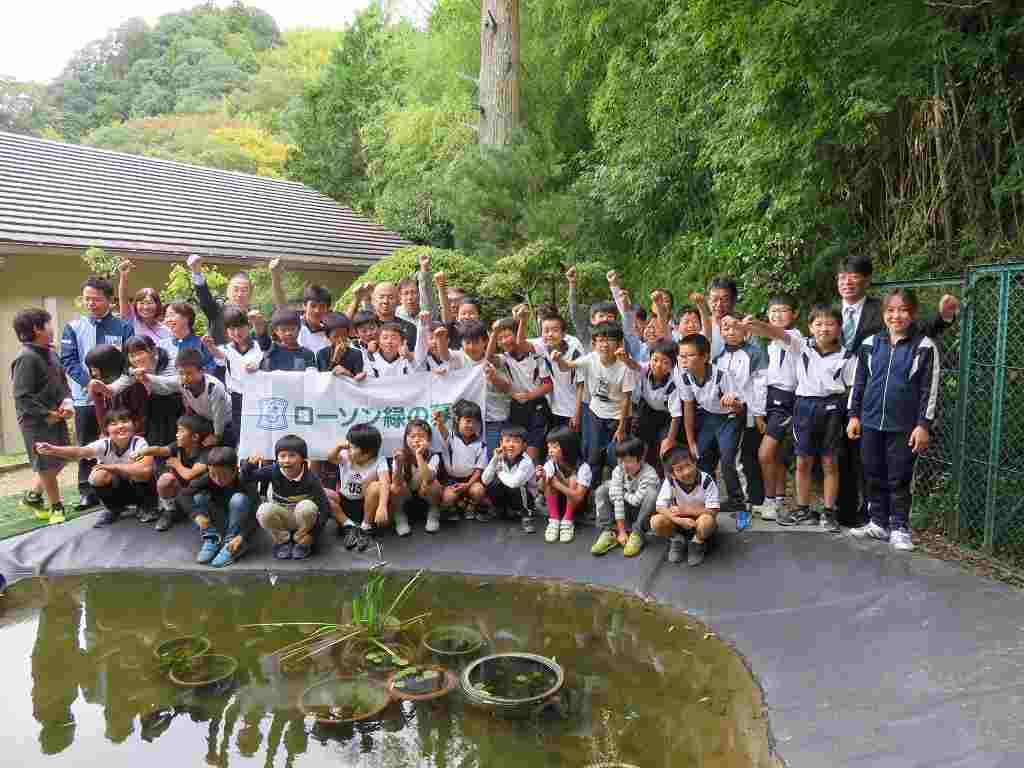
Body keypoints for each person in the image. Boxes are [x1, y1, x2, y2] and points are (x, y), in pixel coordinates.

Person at [835, 255, 959, 526]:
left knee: (881, 465)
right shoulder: (830, 312)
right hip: (838, 397)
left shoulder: (883, 310)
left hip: (878, 397)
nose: (847, 282)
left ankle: (882, 519)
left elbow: (911, 330)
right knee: (845, 458)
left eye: (853, 276)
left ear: (866, 280)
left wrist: (941, 318)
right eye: (842, 277)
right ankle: (845, 514)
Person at [743, 306, 853, 531]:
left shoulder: (848, 355)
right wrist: (756, 324)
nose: (824, 329)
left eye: (830, 324)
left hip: (833, 408)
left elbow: (851, 389)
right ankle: (803, 508)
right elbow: (775, 333)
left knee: (830, 462)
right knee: (803, 461)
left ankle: (829, 512)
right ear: (810, 327)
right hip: (803, 407)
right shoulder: (800, 344)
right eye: (818, 324)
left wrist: (852, 417)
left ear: (839, 328)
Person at [847, 289, 940, 552]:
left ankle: (900, 527)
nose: (895, 315)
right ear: (883, 313)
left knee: (899, 478)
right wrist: (854, 415)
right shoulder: (869, 344)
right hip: (869, 421)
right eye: (890, 310)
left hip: (904, 427)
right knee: (873, 473)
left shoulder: (924, 346)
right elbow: (858, 383)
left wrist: (923, 425)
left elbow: (929, 390)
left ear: (912, 313)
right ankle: (878, 522)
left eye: (902, 310)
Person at [60, 276, 134, 511]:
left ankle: (123, 487)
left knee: (117, 440)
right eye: (87, 299)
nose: (91, 303)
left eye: (96, 299)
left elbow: (127, 361)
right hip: (84, 397)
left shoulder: (123, 327)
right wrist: (88, 383)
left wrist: (112, 387)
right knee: (87, 441)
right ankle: (86, 490)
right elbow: (68, 361)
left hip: (115, 396)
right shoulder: (73, 327)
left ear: (110, 300)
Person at [35, 409, 154, 527]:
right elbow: (79, 452)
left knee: (138, 472)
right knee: (97, 476)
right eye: (114, 424)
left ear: (134, 425)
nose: (120, 426)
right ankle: (113, 509)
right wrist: (53, 450)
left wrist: (112, 467)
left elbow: (145, 471)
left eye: (125, 421)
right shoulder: (104, 444)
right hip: (117, 487)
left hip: (138, 488)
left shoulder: (139, 443)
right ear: (107, 429)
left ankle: (145, 506)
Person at [12, 308, 74, 524]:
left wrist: (67, 401)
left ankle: (33, 496)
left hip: (56, 415)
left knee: (61, 457)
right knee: (47, 463)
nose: (52, 328)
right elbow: (22, 397)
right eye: (48, 323)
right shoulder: (26, 358)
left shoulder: (50, 352)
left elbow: (62, 383)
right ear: (38, 329)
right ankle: (57, 506)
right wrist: (47, 414)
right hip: (35, 422)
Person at [552, 321, 634, 481]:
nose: (604, 344)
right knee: (592, 454)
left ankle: (617, 487)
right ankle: (591, 490)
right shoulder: (591, 358)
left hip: (619, 417)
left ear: (618, 343)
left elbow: (626, 399)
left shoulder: (625, 366)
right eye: (600, 340)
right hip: (596, 413)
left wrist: (622, 427)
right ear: (594, 343)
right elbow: (566, 366)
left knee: (615, 456)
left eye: (609, 339)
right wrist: (558, 359)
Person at [676, 333, 744, 518]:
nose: (684, 360)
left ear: (705, 357)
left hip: (729, 417)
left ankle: (738, 500)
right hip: (709, 417)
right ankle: (710, 497)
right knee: (701, 454)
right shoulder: (685, 378)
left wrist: (733, 402)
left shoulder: (721, 375)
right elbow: (688, 408)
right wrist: (691, 441)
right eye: (681, 356)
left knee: (728, 459)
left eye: (690, 355)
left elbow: (739, 408)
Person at [713, 313, 766, 527]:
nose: (730, 331)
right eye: (725, 327)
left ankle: (745, 504)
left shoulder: (753, 353)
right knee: (728, 460)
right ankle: (737, 499)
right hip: (722, 415)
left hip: (746, 413)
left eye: (735, 327)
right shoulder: (718, 356)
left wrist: (758, 414)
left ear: (745, 330)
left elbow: (760, 386)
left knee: (737, 460)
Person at [431, 319, 514, 455]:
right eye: (467, 342)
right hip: (466, 422)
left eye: (475, 342)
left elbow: (507, 388)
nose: (471, 347)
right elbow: (445, 355)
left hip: (492, 420)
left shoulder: (496, 361)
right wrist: (440, 339)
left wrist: (493, 377)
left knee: (492, 458)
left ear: (485, 342)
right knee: (466, 459)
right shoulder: (458, 357)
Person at [120, 348, 232, 447]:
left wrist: (216, 436)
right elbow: (163, 381)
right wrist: (145, 376)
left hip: (226, 422)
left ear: (202, 371)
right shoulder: (180, 381)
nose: (185, 377)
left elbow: (219, 416)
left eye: (189, 373)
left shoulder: (214, 387)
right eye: (181, 373)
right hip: (206, 420)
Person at [243, 434, 330, 560]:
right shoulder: (273, 470)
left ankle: (302, 541)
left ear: (303, 458)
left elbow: (325, 508)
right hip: (284, 518)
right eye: (282, 456)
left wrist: (312, 535)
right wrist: (249, 464)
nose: (287, 460)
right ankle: (283, 541)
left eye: (292, 455)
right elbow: (247, 478)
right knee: (264, 510)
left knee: (307, 507)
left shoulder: (311, 478)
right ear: (277, 458)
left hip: (304, 522)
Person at [752, 295, 800, 521]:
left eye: (783, 310)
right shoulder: (771, 344)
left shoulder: (794, 337)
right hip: (771, 399)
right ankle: (777, 501)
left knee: (765, 453)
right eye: (773, 311)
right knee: (777, 455)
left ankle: (770, 501)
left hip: (786, 401)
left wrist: (753, 325)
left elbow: (776, 332)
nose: (777, 315)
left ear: (795, 315)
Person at [133, 414, 211, 532]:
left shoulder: (206, 454)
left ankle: (196, 516)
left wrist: (176, 464)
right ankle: (169, 511)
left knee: (196, 497)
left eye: (181, 431)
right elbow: (160, 450)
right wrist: (143, 451)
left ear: (195, 437)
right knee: (165, 479)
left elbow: (190, 474)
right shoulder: (178, 447)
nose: (176, 434)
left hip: (198, 492)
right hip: (181, 492)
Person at [181, 447, 257, 567]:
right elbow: (183, 494)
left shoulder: (245, 482)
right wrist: (197, 515)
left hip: (240, 522)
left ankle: (230, 544)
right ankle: (212, 537)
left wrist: (242, 536)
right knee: (198, 498)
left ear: (235, 471)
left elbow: (256, 515)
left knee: (238, 499)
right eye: (213, 474)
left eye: (223, 475)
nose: (218, 479)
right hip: (219, 519)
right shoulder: (207, 479)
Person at [497, 307, 554, 463]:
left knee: (532, 450)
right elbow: (488, 359)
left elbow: (548, 385)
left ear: (518, 335)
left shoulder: (536, 356)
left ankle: (533, 483)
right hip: (517, 407)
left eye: (507, 336)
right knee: (514, 448)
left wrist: (529, 395)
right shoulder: (505, 358)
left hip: (537, 406)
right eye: (500, 338)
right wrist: (494, 331)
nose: (504, 341)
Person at [591, 437, 661, 557]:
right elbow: (617, 499)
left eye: (628, 461)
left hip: (641, 514)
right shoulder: (619, 470)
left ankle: (637, 534)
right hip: (623, 512)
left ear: (641, 459)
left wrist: (621, 492)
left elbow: (636, 501)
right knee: (602, 490)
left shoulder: (650, 475)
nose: (624, 465)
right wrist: (622, 531)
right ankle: (608, 532)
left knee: (652, 494)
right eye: (621, 461)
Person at [651, 448, 720, 566]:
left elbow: (714, 510)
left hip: (699, 521)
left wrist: (687, 510)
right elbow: (660, 506)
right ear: (672, 474)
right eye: (679, 469)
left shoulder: (706, 480)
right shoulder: (670, 481)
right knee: (656, 521)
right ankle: (677, 540)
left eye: (688, 465)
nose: (687, 472)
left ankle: (697, 542)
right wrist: (678, 520)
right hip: (679, 522)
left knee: (707, 521)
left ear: (694, 463)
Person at [325, 424, 389, 551]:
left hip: (365, 506)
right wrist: (338, 447)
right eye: (348, 445)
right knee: (323, 494)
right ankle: (349, 526)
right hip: (345, 502)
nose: (348, 449)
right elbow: (330, 458)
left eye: (352, 447)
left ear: (368, 452)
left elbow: (385, 482)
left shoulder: (380, 461)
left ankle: (365, 527)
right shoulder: (344, 455)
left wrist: (382, 506)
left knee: (376, 486)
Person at [205, 308, 263, 447]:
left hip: (259, 395)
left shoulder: (259, 346)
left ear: (248, 327)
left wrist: (256, 366)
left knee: (259, 429)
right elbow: (219, 355)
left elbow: (265, 358)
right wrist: (210, 345)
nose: (237, 333)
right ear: (227, 331)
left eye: (240, 327)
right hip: (237, 398)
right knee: (240, 431)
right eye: (232, 329)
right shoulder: (226, 349)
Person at [625, 338, 683, 471]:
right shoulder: (646, 369)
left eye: (665, 362)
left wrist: (669, 439)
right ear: (650, 359)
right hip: (647, 408)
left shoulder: (674, 384)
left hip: (667, 415)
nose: (658, 365)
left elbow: (676, 417)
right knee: (638, 438)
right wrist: (625, 359)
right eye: (655, 360)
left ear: (673, 365)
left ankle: (663, 475)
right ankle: (638, 468)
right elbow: (635, 366)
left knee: (664, 446)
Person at [187, 254, 266, 345]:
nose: (240, 294)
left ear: (250, 293)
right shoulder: (217, 309)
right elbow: (205, 299)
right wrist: (197, 272)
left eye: (244, 290)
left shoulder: (254, 316)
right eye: (236, 290)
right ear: (228, 291)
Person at [529, 310, 585, 431]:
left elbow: (581, 384)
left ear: (563, 333)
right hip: (555, 409)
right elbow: (520, 344)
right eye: (546, 330)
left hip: (575, 410)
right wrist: (522, 320)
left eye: (555, 330)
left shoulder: (574, 348)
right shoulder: (542, 347)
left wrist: (577, 414)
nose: (550, 334)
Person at [433, 399, 488, 520]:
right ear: (458, 420)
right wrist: (439, 421)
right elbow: (442, 431)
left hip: (470, 481)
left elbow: (478, 470)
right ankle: (454, 506)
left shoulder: (481, 444)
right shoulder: (451, 437)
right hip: (451, 481)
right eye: (468, 421)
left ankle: (471, 506)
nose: (471, 425)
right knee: (447, 499)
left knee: (478, 491)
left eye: (475, 422)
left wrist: (468, 485)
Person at [535, 427, 591, 544]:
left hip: (577, 507)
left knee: (573, 479)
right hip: (556, 504)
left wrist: (557, 484)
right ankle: (554, 520)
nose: (550, 451)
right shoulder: (550, 463)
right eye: (549, 446)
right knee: (550, 478)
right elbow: (541, 488)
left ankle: (567, 520)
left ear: (567, 447)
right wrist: (543, 477)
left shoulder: (583, 467)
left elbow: (579, 496)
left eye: (555, 447)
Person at [389, 419, 444, 535]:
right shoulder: (400, 454)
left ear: (428, 440)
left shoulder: (433, 456)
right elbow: (396, 483)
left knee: (434, 484)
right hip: (407, 494)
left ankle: (433, 513)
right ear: (406, 439)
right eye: (412, 436)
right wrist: (398, 464)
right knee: (394, 487)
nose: (416, 440)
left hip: (424, 493)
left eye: (421, 436)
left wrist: (419, 455)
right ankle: (399, 517)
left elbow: (428, 478)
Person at [268, 260, 332, 355]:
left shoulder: (329, 332)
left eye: (322, 306)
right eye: (313, 306)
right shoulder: (295, 324)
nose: (317, 311)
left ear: (328, 309)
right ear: (304, 306)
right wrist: (275, 275)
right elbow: (282, 305)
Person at [481, 425, 537, 532]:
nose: (511, 445)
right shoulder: (500, 456)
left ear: (524, 445)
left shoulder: (526, 462)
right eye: (507, 441)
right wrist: (494, 459)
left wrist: (499, 472)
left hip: (525, 497)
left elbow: (514, 483)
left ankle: (526, 515)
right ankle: (500, 510)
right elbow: (485, 480)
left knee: (519, 486)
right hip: (508, 493)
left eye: (516, 441)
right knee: (492, 483)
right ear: (501, 444)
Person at [565, 265, 620, 349]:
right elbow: (574, 310)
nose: (605, 319)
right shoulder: (586, 334)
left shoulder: (620, 336)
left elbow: (625, 313)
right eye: (601, 316)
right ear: (592, 320)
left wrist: (614, 285)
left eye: (610, 316)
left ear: (615, 320)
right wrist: (572, 283)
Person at [116, 260, 170, 342]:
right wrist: (123, 276)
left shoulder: (166, 331)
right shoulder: (131, 321)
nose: (145, 307)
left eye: (150, 303)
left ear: (157, 305)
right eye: (141, 303)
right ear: (136, 306)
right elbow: (123, 298)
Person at [315, 313, 365, 379]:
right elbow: (323, 379)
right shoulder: (322, 354)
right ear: (328, 336)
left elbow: (358, 381)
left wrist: (348, 373)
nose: (340, 339)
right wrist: (334, 360)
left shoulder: (356, 354)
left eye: (344, 335)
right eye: (336, 336)